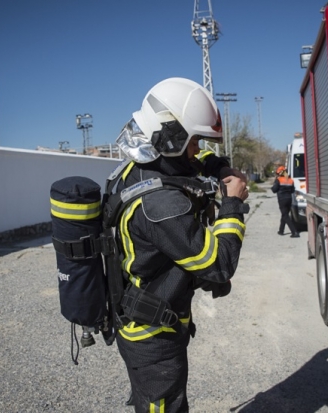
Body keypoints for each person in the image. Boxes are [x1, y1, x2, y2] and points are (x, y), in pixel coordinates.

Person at [110, 77, 248, 413]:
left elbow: (187, 165)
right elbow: (218, 265)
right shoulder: (162, 206)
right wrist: (232, 205)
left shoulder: (139, 168)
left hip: (145, 324)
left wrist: (218, 166)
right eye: (195, 141)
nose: (199, 150)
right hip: (153, 339)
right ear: (171, 138)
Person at [271, 165, 299, 238]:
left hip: (282, 200)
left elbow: (274, 190)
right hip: (289, 199)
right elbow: (292, 190)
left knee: (285, 215)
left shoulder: (279, 180)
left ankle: (294, 232)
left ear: (280, 173)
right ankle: (281, 230)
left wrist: (275, 182)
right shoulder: (290, 180)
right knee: (284, 214)